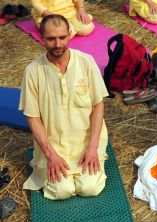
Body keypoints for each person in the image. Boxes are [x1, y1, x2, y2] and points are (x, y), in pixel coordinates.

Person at [20, 14, 108, 201]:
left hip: (86, 143)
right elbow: (33, 118)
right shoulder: (33, 71)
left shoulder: (86, 62)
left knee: (90, 188)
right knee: (62, 191)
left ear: (69, 34)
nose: (57, 44)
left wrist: (93, 147)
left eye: (62, 37)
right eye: (51, 38)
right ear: (42, 37)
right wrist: (51, 155)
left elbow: (98, 105)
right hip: (54, 147)